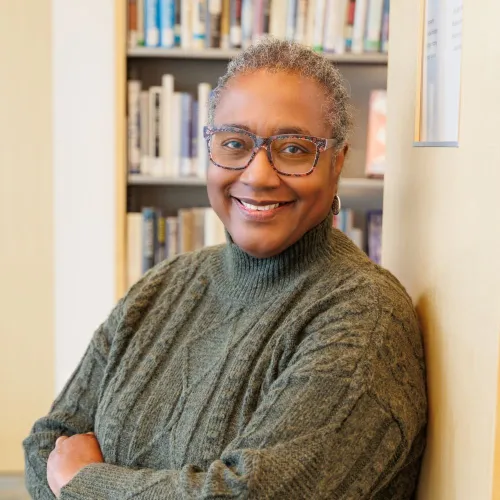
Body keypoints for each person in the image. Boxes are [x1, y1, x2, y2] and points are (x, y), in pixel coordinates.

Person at [24, 38, 427, 499]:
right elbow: (47, 442)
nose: (257, 175)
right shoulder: (163, 286)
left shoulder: (365, 316)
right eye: (234, 143)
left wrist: (83, 484)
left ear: (336, 163)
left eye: (294, 149)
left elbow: (250, 495)